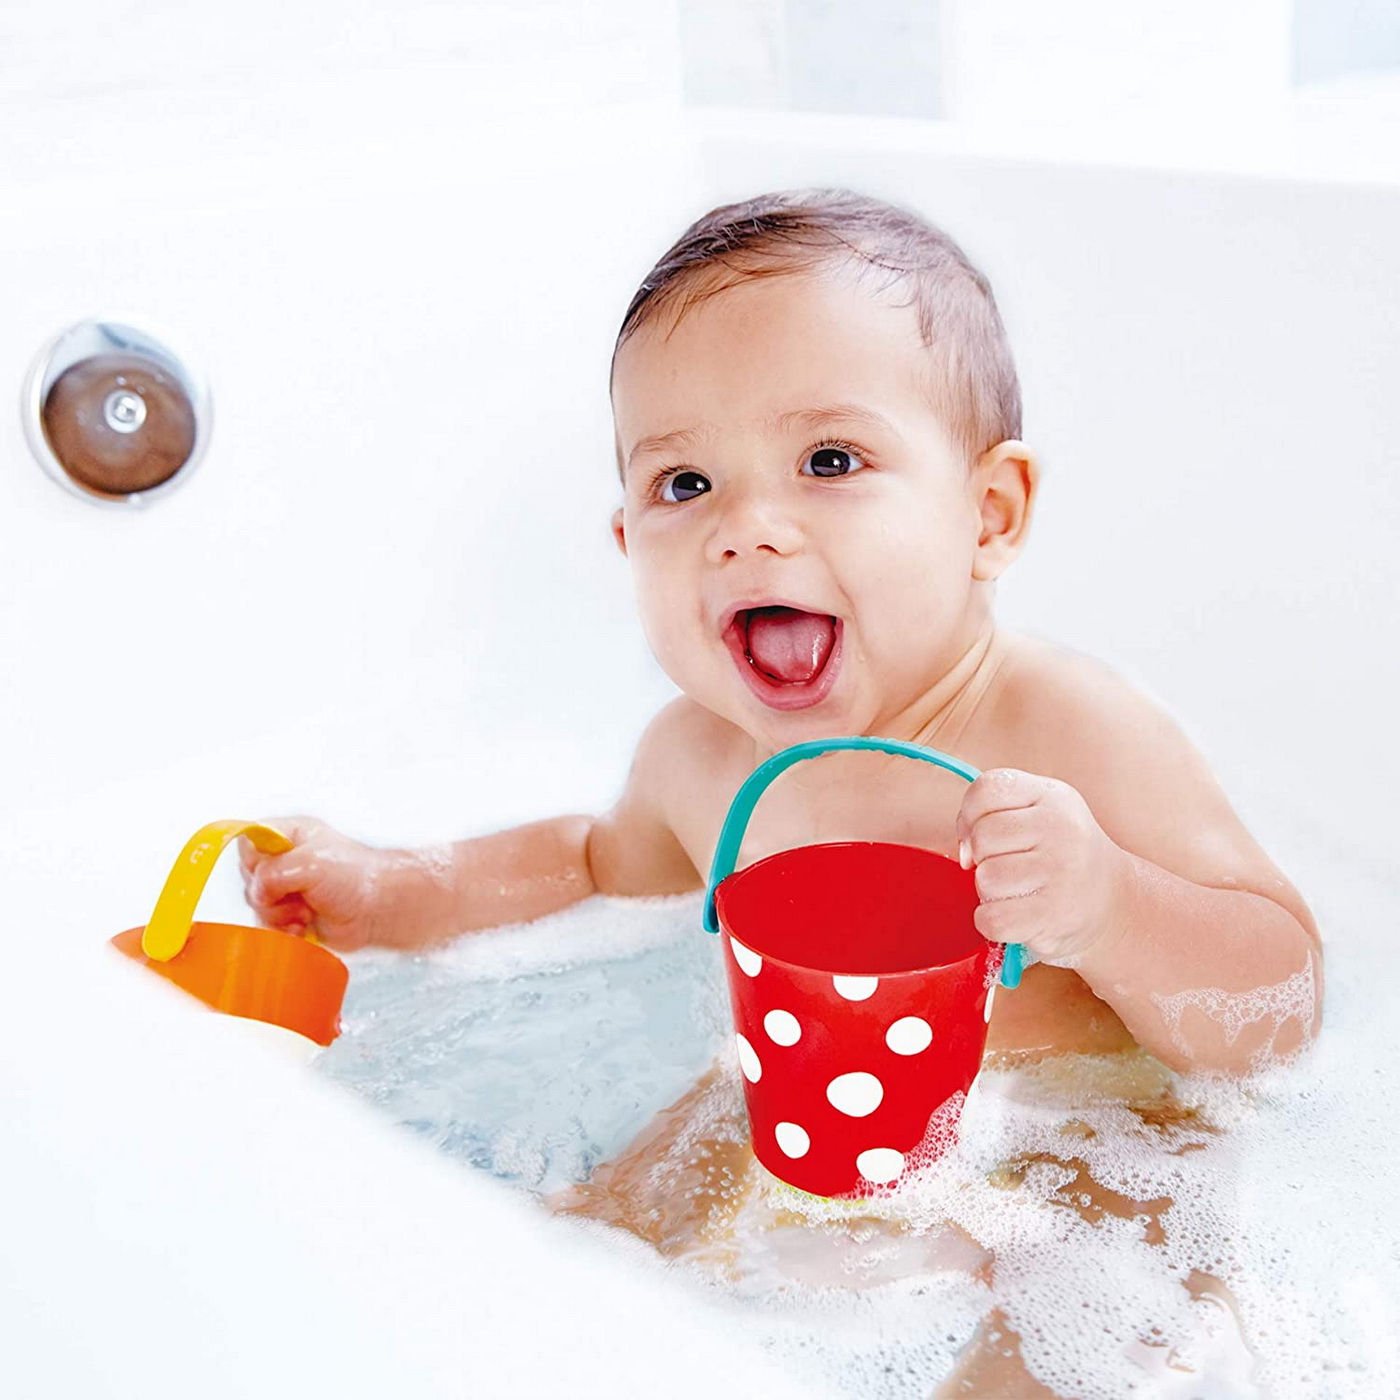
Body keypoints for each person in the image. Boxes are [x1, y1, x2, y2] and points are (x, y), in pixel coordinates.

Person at [241, 186, 1321, 1079]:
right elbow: (588, 863)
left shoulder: (1066, 730)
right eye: (685, 483)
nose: (745, 528)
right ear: (626, 543)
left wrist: (1108, 903)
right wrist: (396, 887)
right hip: (792, 1116)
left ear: (988, 515)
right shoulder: (695, 757)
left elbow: (1284, 1004)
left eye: (829, 461)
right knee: (613, 1216)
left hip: (1067, 1147)